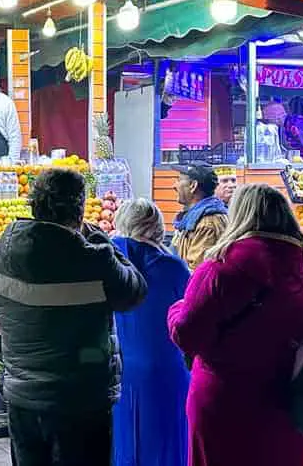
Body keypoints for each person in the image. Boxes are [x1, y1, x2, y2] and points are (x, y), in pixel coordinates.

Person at [0, 168, 147, 466]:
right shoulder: (95, 258)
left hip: (23, 398)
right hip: (82, 399)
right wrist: (104, 242)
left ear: (33, 205)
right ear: (79, 209)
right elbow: (134, 292)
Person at [168, 184, 303, 466]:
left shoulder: (219, 270)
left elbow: (187, 334)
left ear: (238, 217)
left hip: (222, 403)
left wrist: (176, 308)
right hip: (284, 406)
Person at [111, 198, 190, 466]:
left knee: (125, 441)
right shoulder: (173, 267)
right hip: (169, 369)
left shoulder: (109, 263)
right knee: (167, 442)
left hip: (121, 368)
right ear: (156, 226)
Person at [171, 161, 228, 271]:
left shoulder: (207, 224)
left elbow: (197, 274)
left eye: (179, 180)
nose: (174, 186)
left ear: (193, 186)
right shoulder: (194, 219)